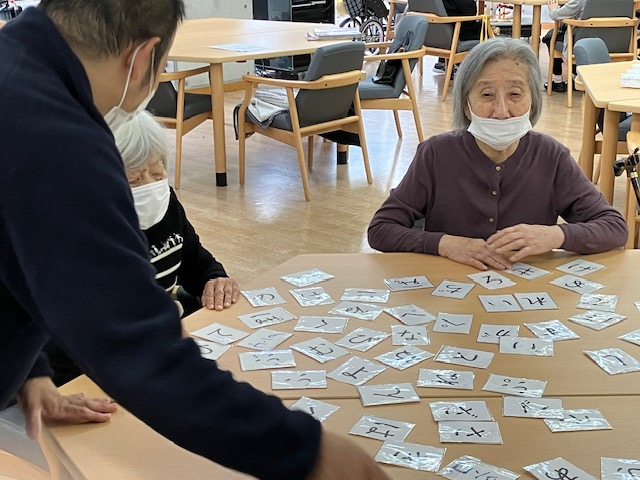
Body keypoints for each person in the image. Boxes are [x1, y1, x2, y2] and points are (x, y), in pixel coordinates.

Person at [0, 2, 390, 480]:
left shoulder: (14, 63)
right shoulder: (60, 141)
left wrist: (31, 370)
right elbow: (136, 346)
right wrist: (307, 451)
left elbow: (18, 248)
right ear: (142, 58)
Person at [368, 36, 627, 271]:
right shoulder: (435, 154)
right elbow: (381, 229)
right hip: (449, 288)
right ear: (466, 105)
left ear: (533, 102)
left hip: (525, 293)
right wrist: (444, 244)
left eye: (515, 94)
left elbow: (614, 227)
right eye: (487, 95)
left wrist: (556, 235)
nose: (502, 111)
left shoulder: (551, 156)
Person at [43, 111, 241, 386]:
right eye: (134, 180)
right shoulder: (79, 236)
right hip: (86, 373)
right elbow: (67, 336)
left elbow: (196, 262)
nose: (150, 187)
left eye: (158, 173)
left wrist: (215, 280)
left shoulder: (165, 203)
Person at [541, 0, 586, 92]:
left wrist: (553, 9)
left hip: (579, 44)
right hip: (612, 45)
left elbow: (556, 15)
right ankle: (576, 77)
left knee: (551, 37)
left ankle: (557, 81)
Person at [433, 0, 482, 73]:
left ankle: (443, 61)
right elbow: (470, 13)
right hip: (458, 34)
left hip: (433, 35)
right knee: (489, 30)